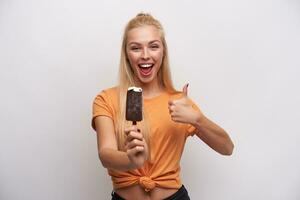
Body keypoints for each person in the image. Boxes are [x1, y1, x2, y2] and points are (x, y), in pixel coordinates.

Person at [91, 13, 234, 200]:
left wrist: (197, 120)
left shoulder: (179, 103)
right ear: (126, 54)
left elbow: (227, 148)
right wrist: (130, 160)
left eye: (153, 46)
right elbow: (105, 154)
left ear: (163, 51)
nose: (145, 55)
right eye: (135, 48)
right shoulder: (106, 99)